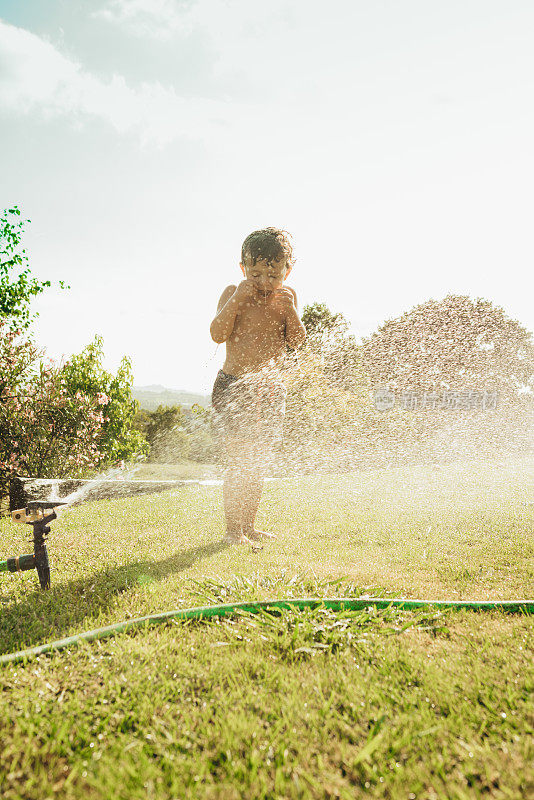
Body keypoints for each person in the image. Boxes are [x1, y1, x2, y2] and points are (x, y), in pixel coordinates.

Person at [210, 227, 307, 544]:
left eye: (273, 274)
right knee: (238, 461)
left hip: (268, 392)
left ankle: (248, 526)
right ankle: (232, 531)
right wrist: (237, 298)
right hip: (234, 386)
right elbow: (217, 334)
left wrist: (289, 308)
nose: (264, 282)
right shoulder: (232, 294)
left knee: (257, 463)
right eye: (256, 274)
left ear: (286, 271)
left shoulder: (286, 299)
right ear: (243, 268)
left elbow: (296, 341)